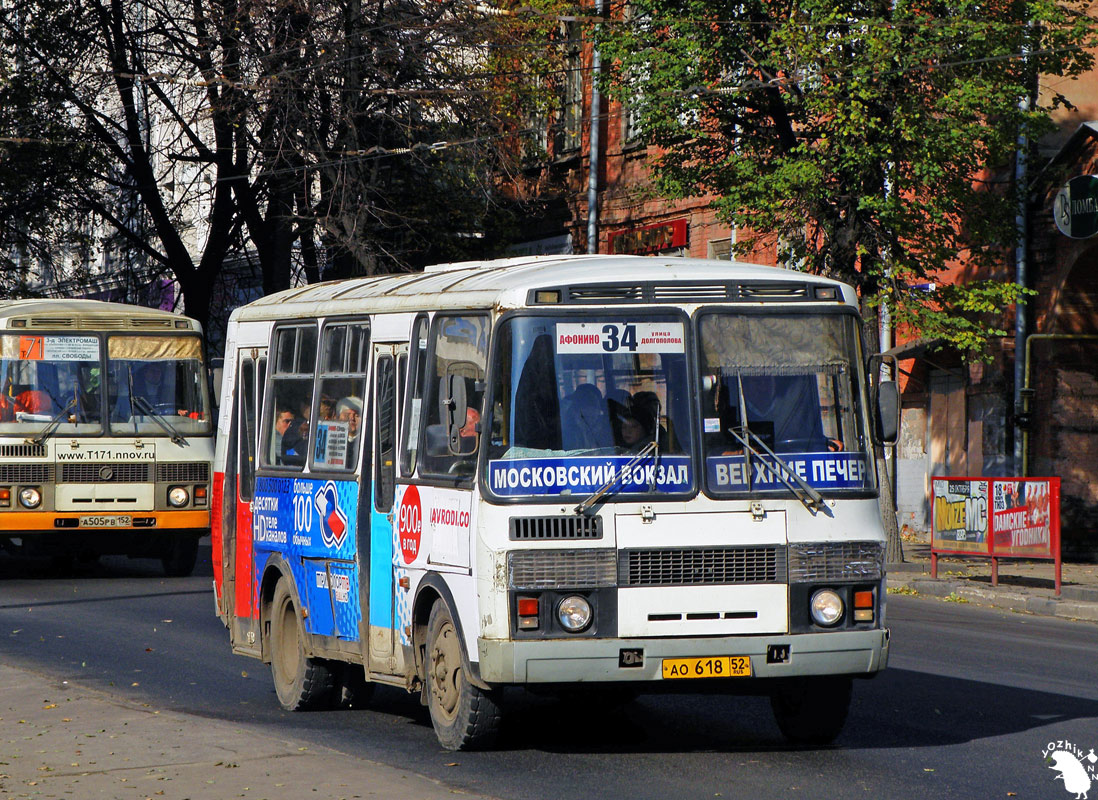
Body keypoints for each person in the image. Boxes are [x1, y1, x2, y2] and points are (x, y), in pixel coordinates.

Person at [335, 396, 363, 467]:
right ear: (338, 418)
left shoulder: (366, 443)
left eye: (357, 415)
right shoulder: (332, 440)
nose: (352, 418)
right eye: (347, 415)